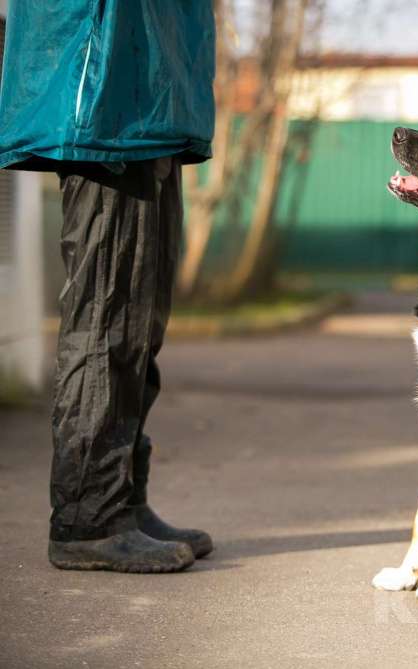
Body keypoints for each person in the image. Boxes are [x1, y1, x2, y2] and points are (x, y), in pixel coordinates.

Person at [0, 1, 216, 572]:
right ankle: (87, 517)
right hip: (108, 99)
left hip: (148, 100)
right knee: (107, 318)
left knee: (139, 327)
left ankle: (123, 500)